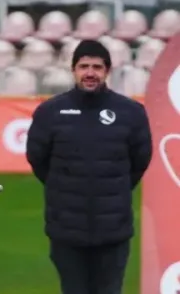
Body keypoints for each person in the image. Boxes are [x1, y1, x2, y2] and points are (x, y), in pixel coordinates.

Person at [26, 39, 152, 294]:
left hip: (114, 231)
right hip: (66, 231)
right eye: (84, 66)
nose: (90, 73)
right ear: (74, 70)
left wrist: (114, 188)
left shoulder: (131, 112)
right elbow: (37, 159)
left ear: (108, 71)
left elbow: (140, 161)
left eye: (97, 66)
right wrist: (65, 185)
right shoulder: (50, 112)